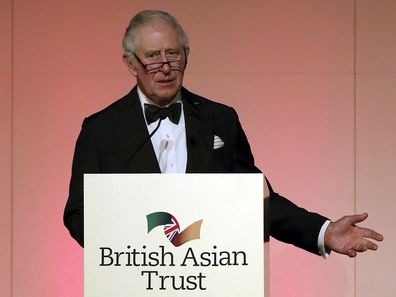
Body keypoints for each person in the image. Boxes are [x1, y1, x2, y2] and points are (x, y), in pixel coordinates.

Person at [63, 10, 383, 258]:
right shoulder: (100, 130)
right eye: (152, 56)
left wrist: (323, 232)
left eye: (173, 54)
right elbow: (79, 215)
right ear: (131, 63)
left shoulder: (220, 120)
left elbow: (255, 198)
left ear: (186, 55)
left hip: (209, 279)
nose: (165, 66)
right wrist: (130, 254)